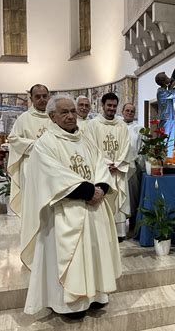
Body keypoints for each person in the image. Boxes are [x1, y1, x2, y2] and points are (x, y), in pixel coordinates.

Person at [21, 94, 121, 319]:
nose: (70, 116)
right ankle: (69, 305)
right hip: (65, 211)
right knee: (71, 257)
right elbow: (52, 175)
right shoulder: (45, 144)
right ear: (52, 117)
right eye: (64, 112)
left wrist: (102, 188)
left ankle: (96, 296)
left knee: (94, 253)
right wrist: (87, 191)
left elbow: (99, 164)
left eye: (72, 111)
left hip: (93, 210)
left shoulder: (85, 139)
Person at [86, 92, 131, 242]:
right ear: (102, 106)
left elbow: (126, 146)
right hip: (101, 170)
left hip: (118, 170)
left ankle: (119, 233)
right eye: (109, 105)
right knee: (103, 198)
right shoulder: (93, 125)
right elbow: (90, 146)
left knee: (118, 200)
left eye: (114, 106)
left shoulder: (122, 125)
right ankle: (103, 232)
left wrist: (117, 164)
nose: (111, 108)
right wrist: (105, 163)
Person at [7, 84, 51, 216]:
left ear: (49, 97)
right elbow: (13, 139)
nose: (42, 99)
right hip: (30, 166)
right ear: (31, 98)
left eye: (44, 96)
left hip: (53, 166)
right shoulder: (24, 118)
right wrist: (37, 146)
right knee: (32, 204)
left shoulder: (55, 117)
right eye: (38, 96)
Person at [122, 103, 144, 233]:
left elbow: (141, 149)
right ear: (122, 111)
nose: (129, 113)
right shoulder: (117, 126)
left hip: (133, 166)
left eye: (132, 111)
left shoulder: (139, 129)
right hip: (118, 167)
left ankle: (132, 222)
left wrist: (140, 165)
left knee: (133, 196)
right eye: (127, 110)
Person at [155, 72, 175, 156]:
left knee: (170, 141)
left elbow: (171, 97)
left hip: (171, 118)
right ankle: (161, 160)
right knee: (164, 141)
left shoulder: (165, 91)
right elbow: (172, 95)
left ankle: (169, 160)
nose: (168, 78)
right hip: (165, 118)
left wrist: (173, 88)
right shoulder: (161, 91)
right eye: (166, 77)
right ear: (162, 81)